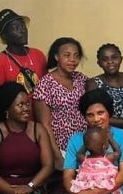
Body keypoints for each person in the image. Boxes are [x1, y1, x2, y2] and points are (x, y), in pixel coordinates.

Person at [33, 37, 88, 170]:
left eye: (76, 56)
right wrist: (57, 155)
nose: (72, 60)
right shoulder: (45, 84)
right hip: (62, 147)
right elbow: (44, 124)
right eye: (67, 55)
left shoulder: (82, 79)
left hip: (86, 145)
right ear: (57, 56)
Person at [0, 9, 47, 95]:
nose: (22, 30)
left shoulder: (38, 55)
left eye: (23, 26)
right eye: (15, 28)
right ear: (4, 36)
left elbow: (48, 86)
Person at [86, 43, 123, 133]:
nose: (110, 62)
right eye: (105, 59)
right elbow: (94, 116)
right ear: (99, 63)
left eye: (114, 57)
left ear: (121, 59)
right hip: (109, 136)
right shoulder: (93, 84)